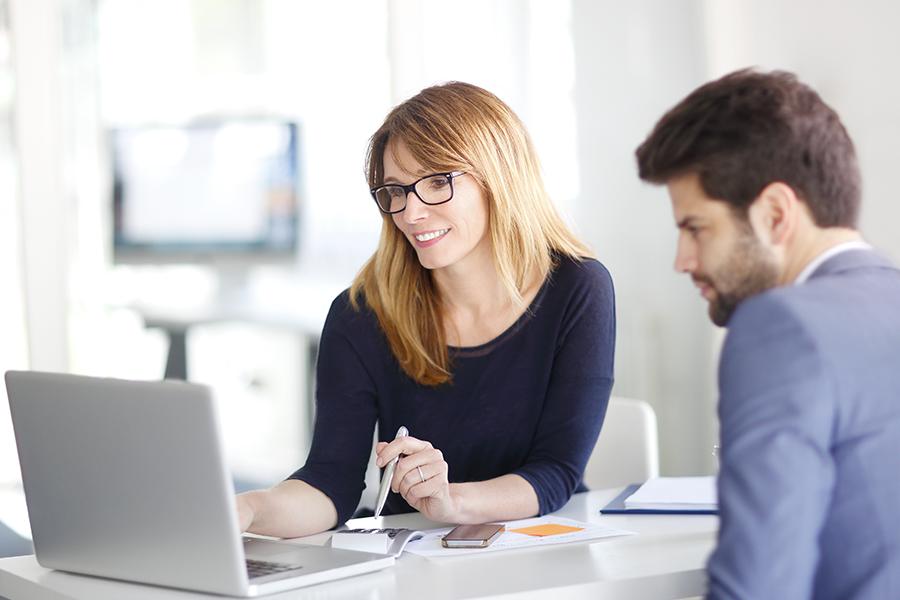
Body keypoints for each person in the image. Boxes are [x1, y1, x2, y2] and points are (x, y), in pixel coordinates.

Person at [237, 82, 615, 538]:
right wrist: (251, 508)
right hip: (413, 560)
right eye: (395, 190)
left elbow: (556, 471)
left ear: (498, 177)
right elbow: (330, 482)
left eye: (437, 182)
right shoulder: (361, 314)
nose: (411, 213)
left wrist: (452, 500)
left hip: (540, 548)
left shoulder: (576, 288)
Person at [635, 68, 900, 599]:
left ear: (775, 214)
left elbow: (758, 588)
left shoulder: (781, 327)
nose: (681, 261)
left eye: (695, 229)